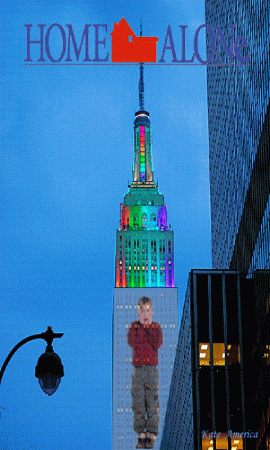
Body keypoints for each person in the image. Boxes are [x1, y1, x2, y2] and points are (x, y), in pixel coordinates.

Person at [127, 296, 163, 449]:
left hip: (151, 369)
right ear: (138, 313)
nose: (145, 314)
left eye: (147, 310)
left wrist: (147, 328)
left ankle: (152, 432)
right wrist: (141, 329)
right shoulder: (134, 327)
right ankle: (140, 433)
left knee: (152, 401)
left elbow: (157, 344)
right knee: (138, 401)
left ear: (152, 312)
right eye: (142, 311)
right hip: (138, 370)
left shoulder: (156, 327)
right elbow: (132, 342)